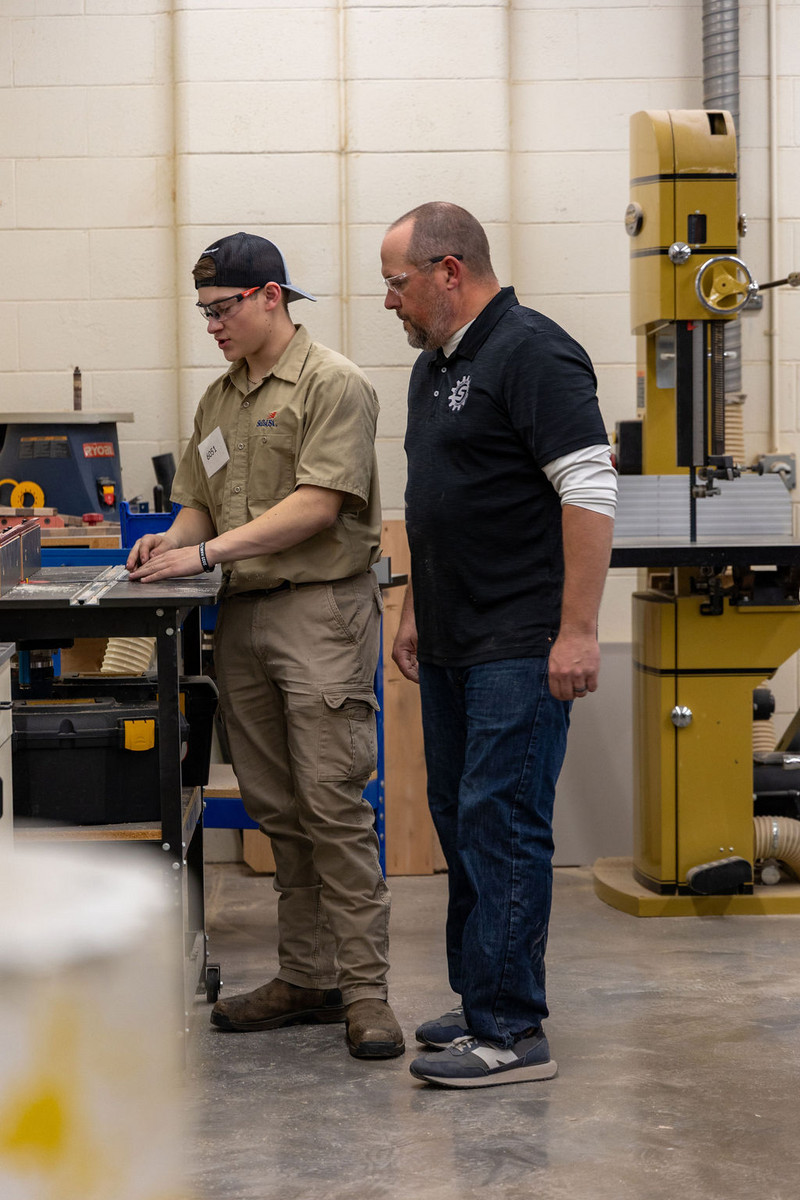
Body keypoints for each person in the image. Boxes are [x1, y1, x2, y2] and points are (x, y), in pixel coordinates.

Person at [127, 231, 404, 1060]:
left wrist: (204, 554)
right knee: (280, 812)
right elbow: (200, 505)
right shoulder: (219, 400)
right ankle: (306, 977)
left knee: (334, 807)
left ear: (271, 297)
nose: (210, 325)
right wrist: (168, 541)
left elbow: (320, 505)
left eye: (223, 309)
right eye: (204, 311)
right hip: (243, 622)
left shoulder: (334, 385)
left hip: (318, 612)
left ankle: (365, 993)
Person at [380, 202, 616, 1088]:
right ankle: (483, 994)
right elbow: (438, 499)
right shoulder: (435, 366)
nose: (391, 303)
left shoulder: (533, 350)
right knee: (460, 820)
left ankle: (513, 1032)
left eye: (397, 284)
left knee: (503, 823)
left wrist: (580, 630)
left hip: (521, 641)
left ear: (448, 271)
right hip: (449, 638)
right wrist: (412, 609)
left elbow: (589, 487)